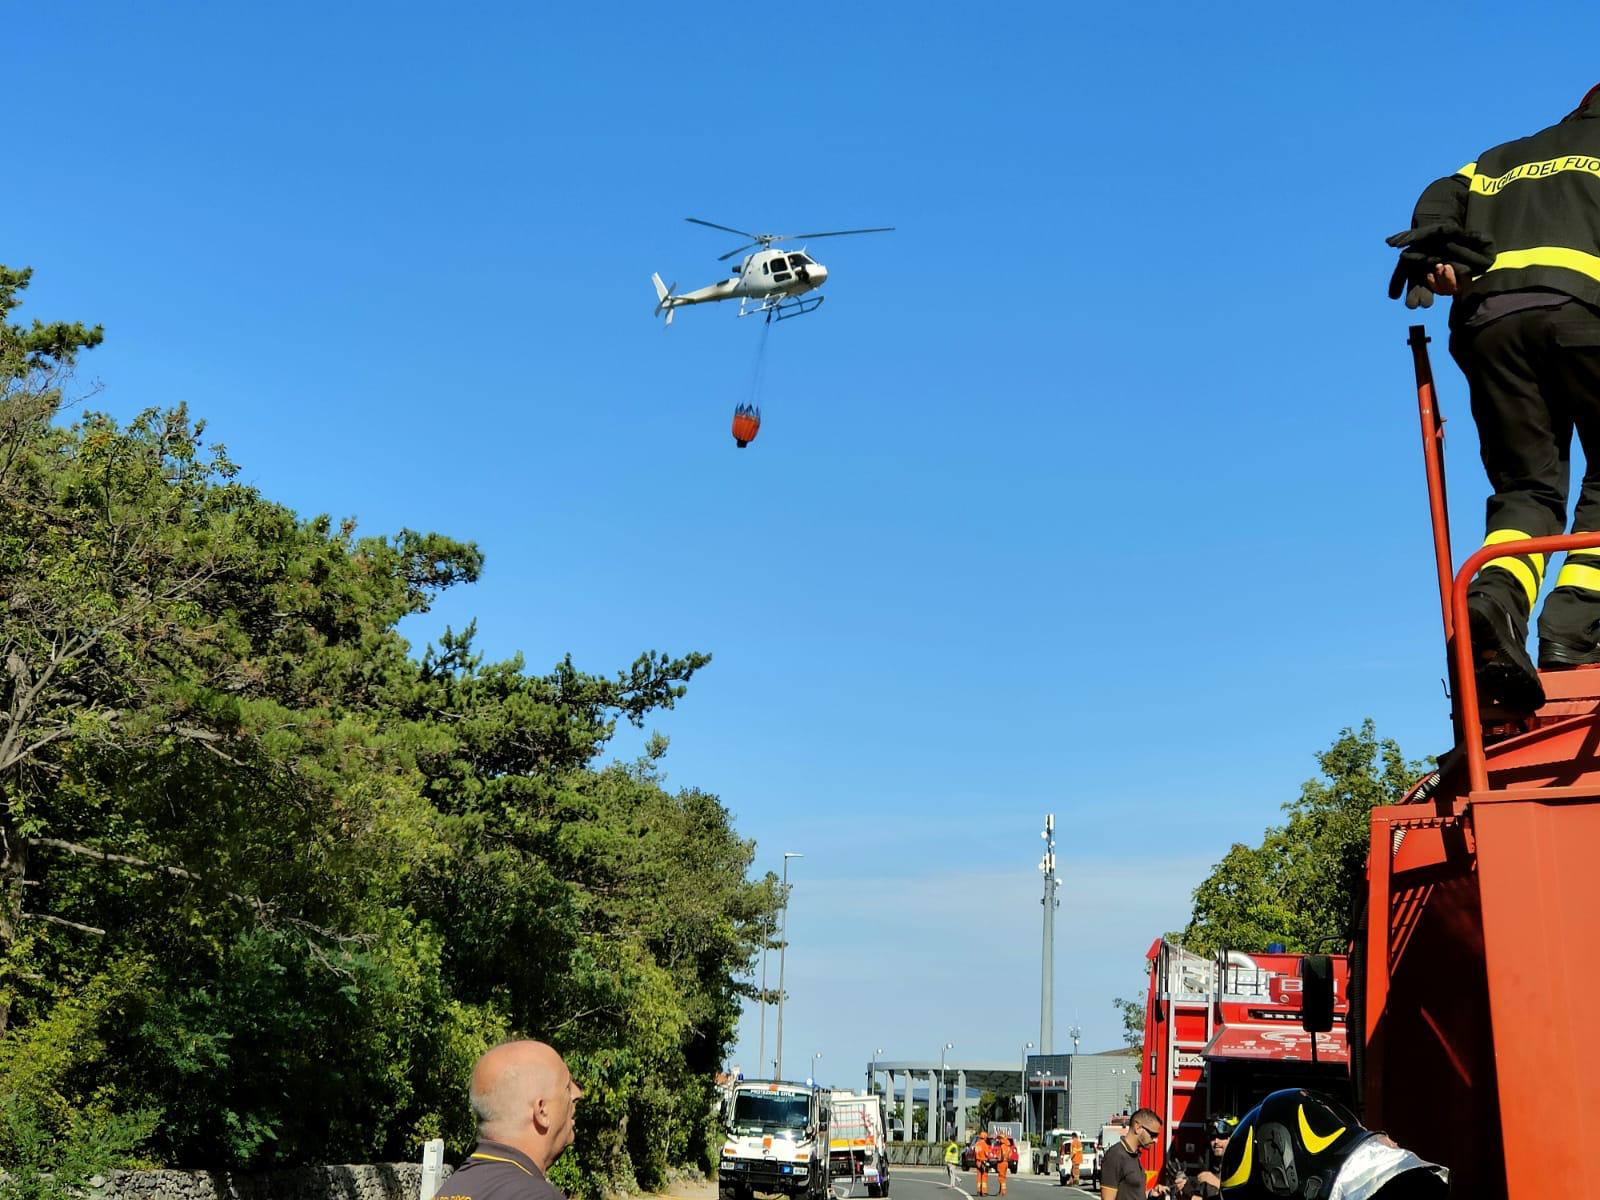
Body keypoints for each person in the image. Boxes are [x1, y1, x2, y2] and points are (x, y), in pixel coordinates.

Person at [1389, 83, 1600, 713]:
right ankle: (1574, 628)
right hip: (1586, 314)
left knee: (1527, 491)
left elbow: (1440, 194)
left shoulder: (1499, 160)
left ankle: (1493, 603)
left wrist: (1434, 246)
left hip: (1489, 326)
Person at [433, 1039, 585, 1200]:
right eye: (567, 1087)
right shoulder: (538, 1196)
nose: (577, 1094)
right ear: (542, 1111)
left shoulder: (450, 1190)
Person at [1101, 1108, 1168, 1200]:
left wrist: (1150, 1194)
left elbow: (1132, 1195)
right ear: (1138, 1127)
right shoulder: (1115, 1156)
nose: (1155, 1140)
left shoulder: (1134, 1156)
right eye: (1153, 1135)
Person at [1174, 1118, 1235, 1199]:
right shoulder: (1211, 1168)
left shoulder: (1240, 1167)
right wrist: (1185, 1191)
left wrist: (1216, 1183)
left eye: (1221, 1137)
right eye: (1213, 1137)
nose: (1216, 1141)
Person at [975, 1130, 992, 1197]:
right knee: (984, 1177)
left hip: (978, 1162)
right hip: (984, 1162)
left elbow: (975, 1153)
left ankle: (978, 1191)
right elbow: (987, 1154)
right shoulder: (984, 1145)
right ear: (985, 1137)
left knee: (979, 1177)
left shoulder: (977, 1144)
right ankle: (984, 1192)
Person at [994, 1131, 1012, 1196]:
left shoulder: (1003, 1146)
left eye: (999, 1138)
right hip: (1006, 1163)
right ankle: (1000, 1191)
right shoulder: (1008, 1146)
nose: (999, 1140)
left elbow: (1002, 1155)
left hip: (1002, 1163)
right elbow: (1010, 1155)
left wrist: (997, 1158)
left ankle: (1003, 1191)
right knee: (1003, 1177)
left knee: (1001, 1178)